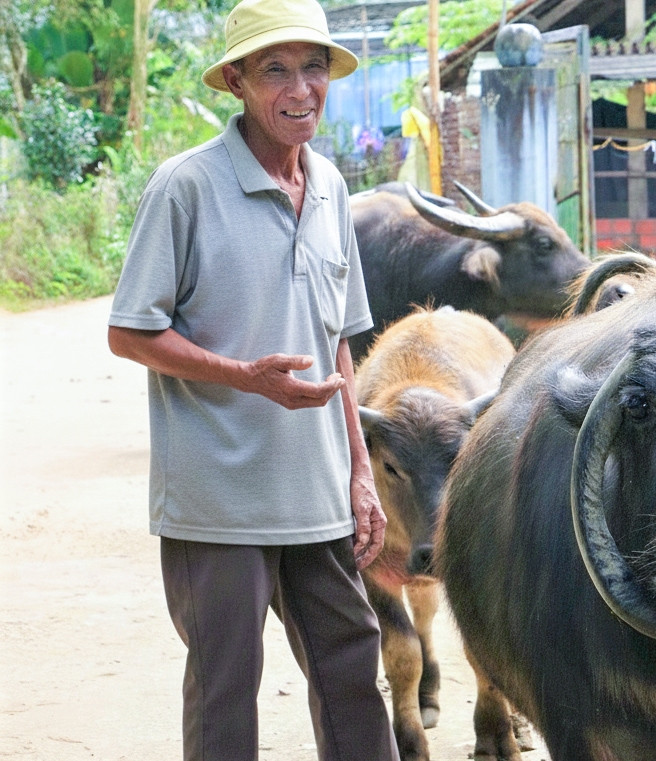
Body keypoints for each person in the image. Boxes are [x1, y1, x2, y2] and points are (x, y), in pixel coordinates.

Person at [106, 0, 399, 758]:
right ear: (234, 80)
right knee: (226, 693)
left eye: (313, 67)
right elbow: (129, 330)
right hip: (217, 502)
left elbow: (338, 342)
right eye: (275, 69)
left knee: (353, 682)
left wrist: (359, 474)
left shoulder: (332, 186)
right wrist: (244, 377)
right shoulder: (186, 186)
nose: (300, 88)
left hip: (317, 496)